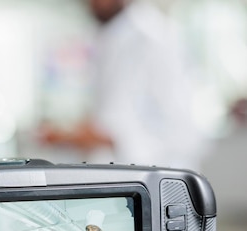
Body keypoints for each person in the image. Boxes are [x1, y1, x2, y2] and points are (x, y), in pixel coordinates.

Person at [40, 0, 205, 171]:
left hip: (159, 179)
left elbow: (183, 133)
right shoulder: (107, 37)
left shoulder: (156, 39)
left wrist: (99, 138)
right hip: (119, 179)